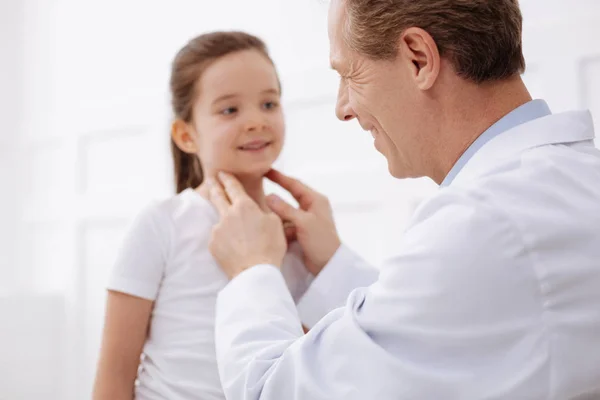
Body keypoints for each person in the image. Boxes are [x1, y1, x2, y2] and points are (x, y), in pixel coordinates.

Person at [206, 0, 600, 399]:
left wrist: (252, 270)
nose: (343, 108)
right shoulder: (571, 178)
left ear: (418, 59)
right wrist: (333, 265)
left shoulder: (481, 223)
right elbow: (448, 322)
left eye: (348, 74)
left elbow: (270, 391)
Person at [91, 31, 314, 400]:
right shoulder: (161, 224)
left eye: (269, 104)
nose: (256, 120)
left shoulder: (297, 231)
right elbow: (114, 377)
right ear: (186, 135)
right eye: (230, 109)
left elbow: (312, 358)